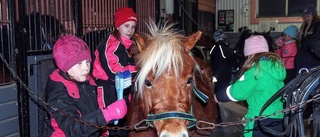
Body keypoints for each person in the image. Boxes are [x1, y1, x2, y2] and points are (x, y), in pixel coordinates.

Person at [45, 35, 127, 137]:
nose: (86, 68)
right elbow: (73, 129)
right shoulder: (58, 93)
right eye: (79, 63)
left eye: (87, 61)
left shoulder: (88, 82)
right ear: (65, 65)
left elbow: (93, 116)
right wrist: (107, 114)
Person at [215, 35, 286, 137]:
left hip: (260, 120)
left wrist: (218, 96)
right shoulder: (276, 67)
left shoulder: (256, 71)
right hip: (278, 117)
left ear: (250, 54)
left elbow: (237, 92)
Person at [92, 7, 137, 136]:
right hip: (108, 88)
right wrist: (139, 71)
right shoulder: (112, 43)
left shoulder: (127, 44)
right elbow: (113, 71)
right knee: (111, 125)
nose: (130, 30)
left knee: (123, 124)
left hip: (122, 87)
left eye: (133, 27)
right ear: (117, 26)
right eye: (126, 25)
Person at [295, 5, 320, 73]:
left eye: (308, 16)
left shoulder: (317, 25)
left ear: (313, 15)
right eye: (304, 17)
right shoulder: (304, 26)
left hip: (313, 57)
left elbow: (315, 42)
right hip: (304, 56)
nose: (306, 19)